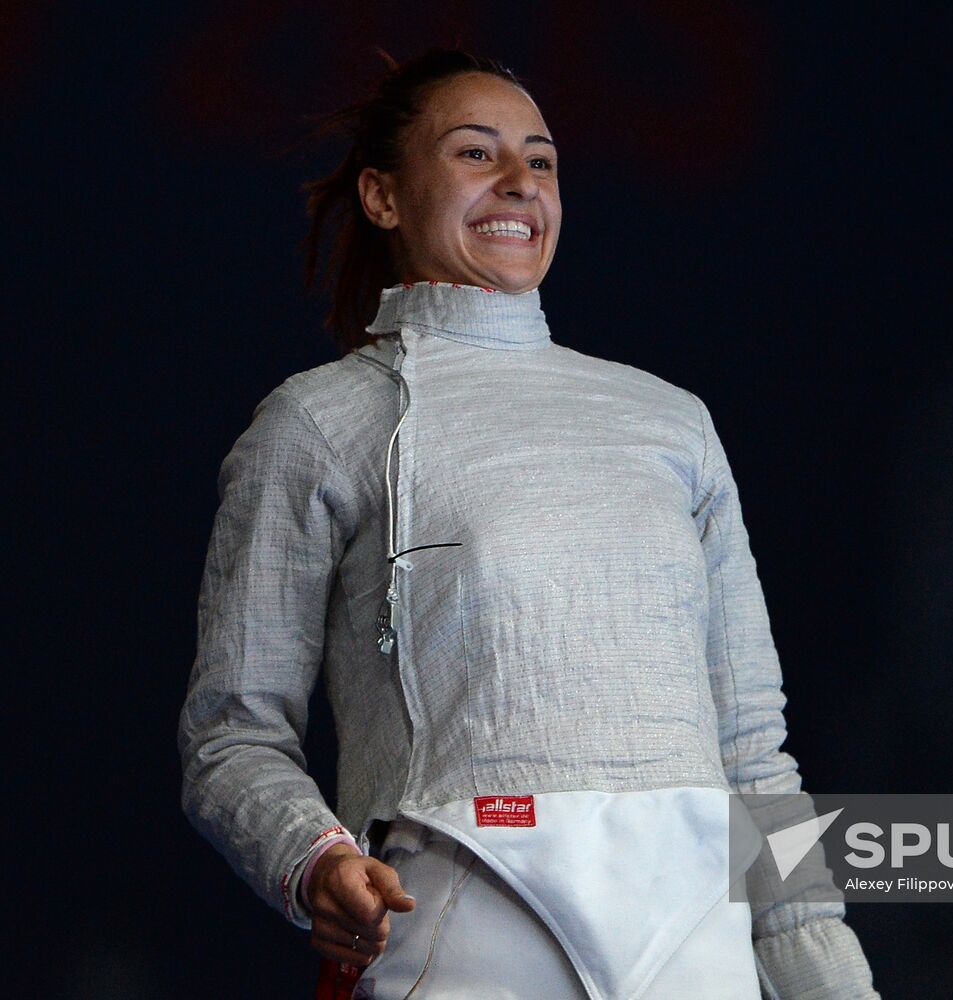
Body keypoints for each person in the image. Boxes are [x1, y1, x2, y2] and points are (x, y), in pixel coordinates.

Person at [178, 46, 881, 999]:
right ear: (383, 197)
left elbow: (752, 751)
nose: (518, 182)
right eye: (475, 153)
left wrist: (826, 975)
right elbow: (231, 734)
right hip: (462, 918)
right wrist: (314, 860)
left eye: (541, 161)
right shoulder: (320, 424)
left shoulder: (669, 422)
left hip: (690, 929)